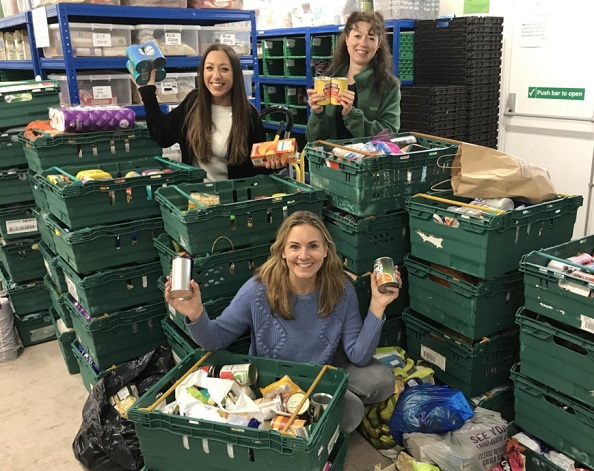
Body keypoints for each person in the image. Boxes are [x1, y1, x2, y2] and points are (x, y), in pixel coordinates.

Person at [165, 210, 401, 433]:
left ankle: (322, 404)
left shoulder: (342, 290)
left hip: (322, 370)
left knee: (382, 382)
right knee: (351, 411)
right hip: (276, 382)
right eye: (295, 247)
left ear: (326, 251)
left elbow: (358, 355)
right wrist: (195, 313)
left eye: (313, 246)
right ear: (282, 252)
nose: (304, 255)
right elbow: (216, 339)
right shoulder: (257, 290)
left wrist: (377, 305)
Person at [137, 44, 280, 181]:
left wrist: (273, 164)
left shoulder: (249, 115)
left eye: (224, 69)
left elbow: (258, 167)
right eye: (209, 68)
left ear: (235, 74)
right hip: (195, 198)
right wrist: (148, 92)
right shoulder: (193, 104)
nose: (216, 76)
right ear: (203, 72)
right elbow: (162, 135)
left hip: (234, 200)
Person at [305, 11, 401, 142]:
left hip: (368, 161)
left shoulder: (389, 85)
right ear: (347, 39)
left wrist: (351, 115)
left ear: (378, 45)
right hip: (331, 160)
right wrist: (317, 114)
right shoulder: (329, 79)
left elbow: (388, 137)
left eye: (371, 38)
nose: (363, 43)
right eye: (357, 36)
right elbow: (313, 139)